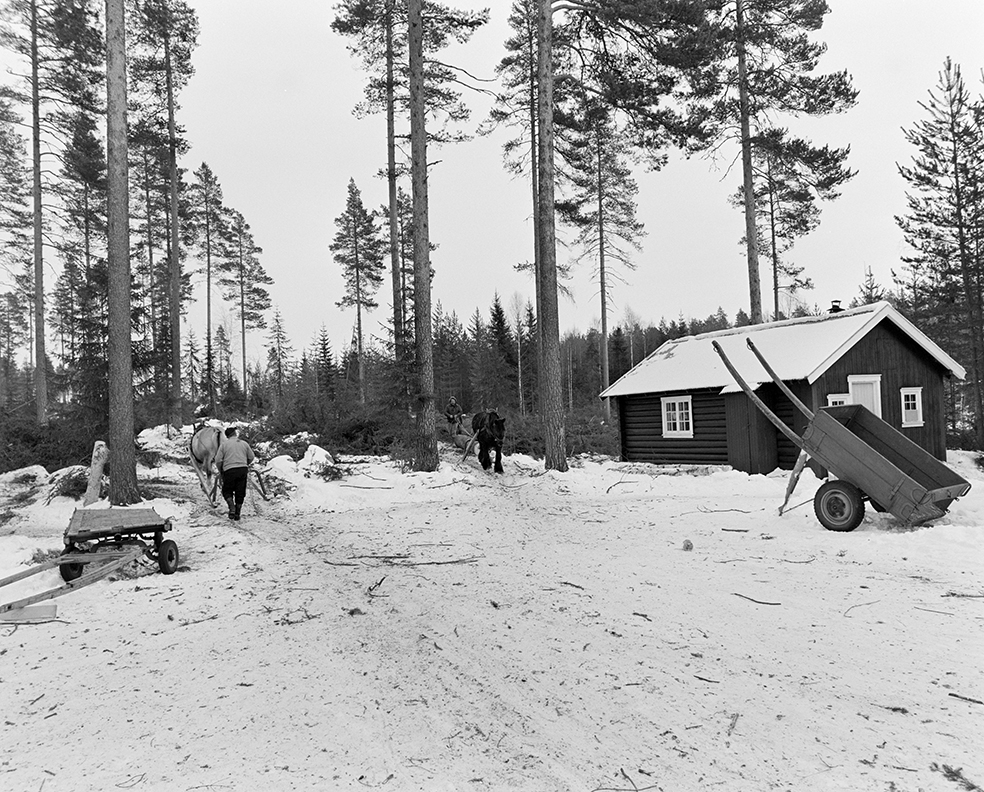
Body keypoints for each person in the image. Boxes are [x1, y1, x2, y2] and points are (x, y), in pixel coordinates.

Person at [214, 426, 255, 521]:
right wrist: (245, 463)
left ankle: (231, 507)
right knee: (240, 491)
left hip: (229, 470)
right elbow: (251, 456)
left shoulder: (224, 445)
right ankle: (238, 512)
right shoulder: (244, 444)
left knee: (227, 490)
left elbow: (218, 460)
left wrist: (221, 470)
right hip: (242, 469)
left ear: (227, 436)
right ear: (235, 434)